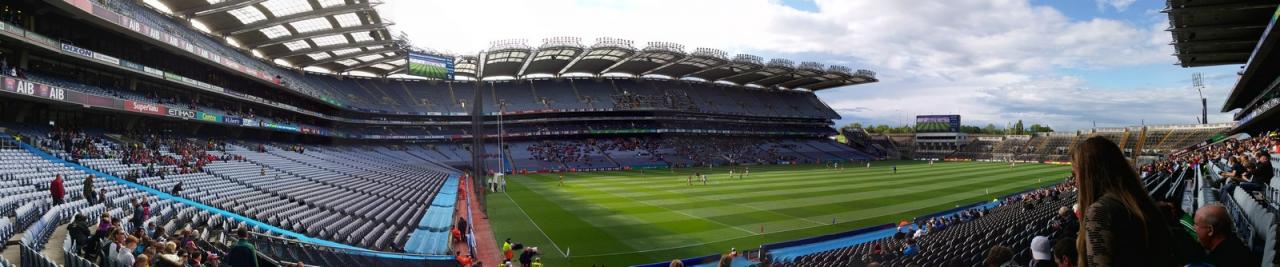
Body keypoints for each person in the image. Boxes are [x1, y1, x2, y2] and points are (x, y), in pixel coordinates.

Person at [1072, 136, 1174, 266]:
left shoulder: (1101, 211)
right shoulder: (1140, 204)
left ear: (1089, 174)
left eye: (1076, 174)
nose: (1076, 182)